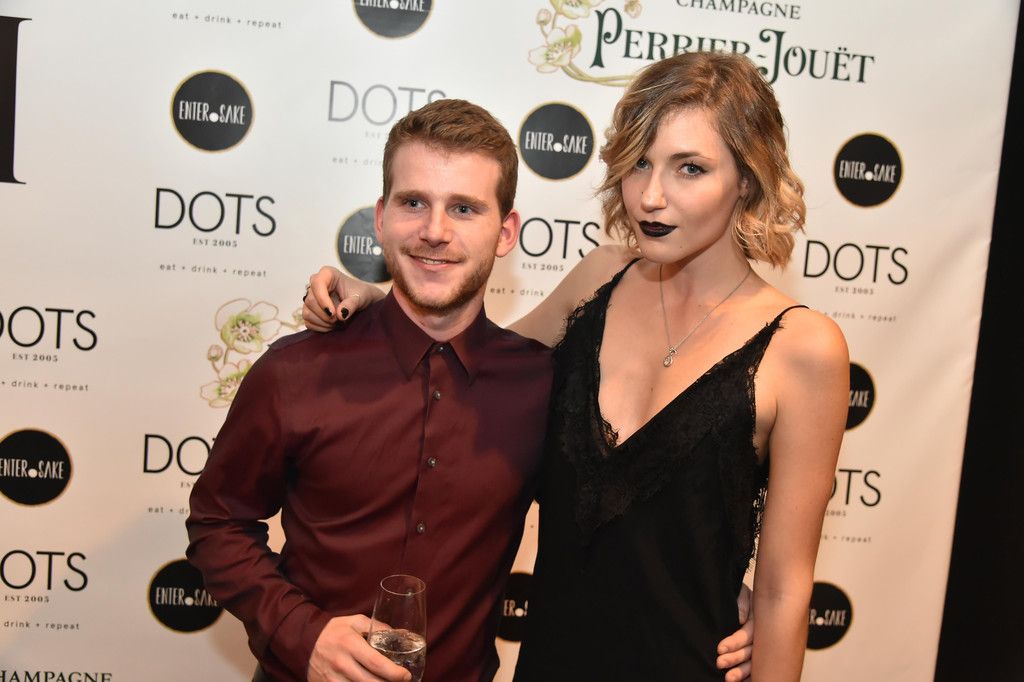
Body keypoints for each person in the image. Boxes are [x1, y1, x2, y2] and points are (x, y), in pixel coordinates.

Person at [303, 52, 848, 681]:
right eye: (639, 162)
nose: (650, 196)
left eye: (690, 168)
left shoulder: (803, 348)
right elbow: (478, 359)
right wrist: (380, 301)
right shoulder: (600, 278)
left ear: (746, 181)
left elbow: (783, 591)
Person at [187, 97, 754, 682]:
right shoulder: (297, 371)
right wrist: (304, 635)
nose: (435, 231)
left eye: (464, 208)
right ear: (380, 218)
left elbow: (617, 516)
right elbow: (217, 524)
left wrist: (726, 594)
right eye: (414, 203)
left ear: (505, 232)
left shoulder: (544, 387)